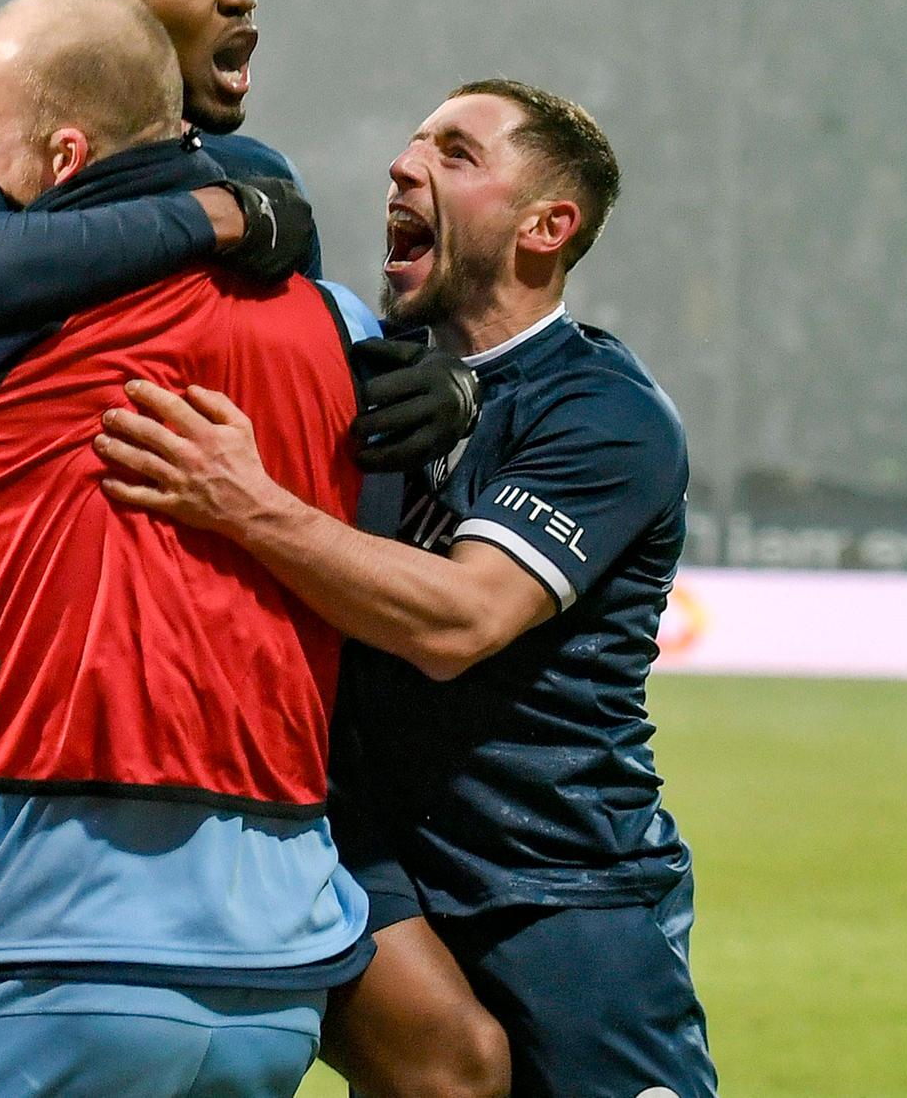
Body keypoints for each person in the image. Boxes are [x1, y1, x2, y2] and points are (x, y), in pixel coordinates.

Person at [0, 0, 500, 1098]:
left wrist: (448, 388)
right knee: (454, 1061)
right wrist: (228, 232)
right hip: (229, 868)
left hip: (47, 827)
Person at [94, 81, 715, 1098]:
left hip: (554, 882)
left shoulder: (601, 410)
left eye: (457, 153)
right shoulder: (355, 376)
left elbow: (459, 617)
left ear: (544, 226)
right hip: (365, 859)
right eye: (411, 142)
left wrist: (244, 502)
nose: (402, 164)